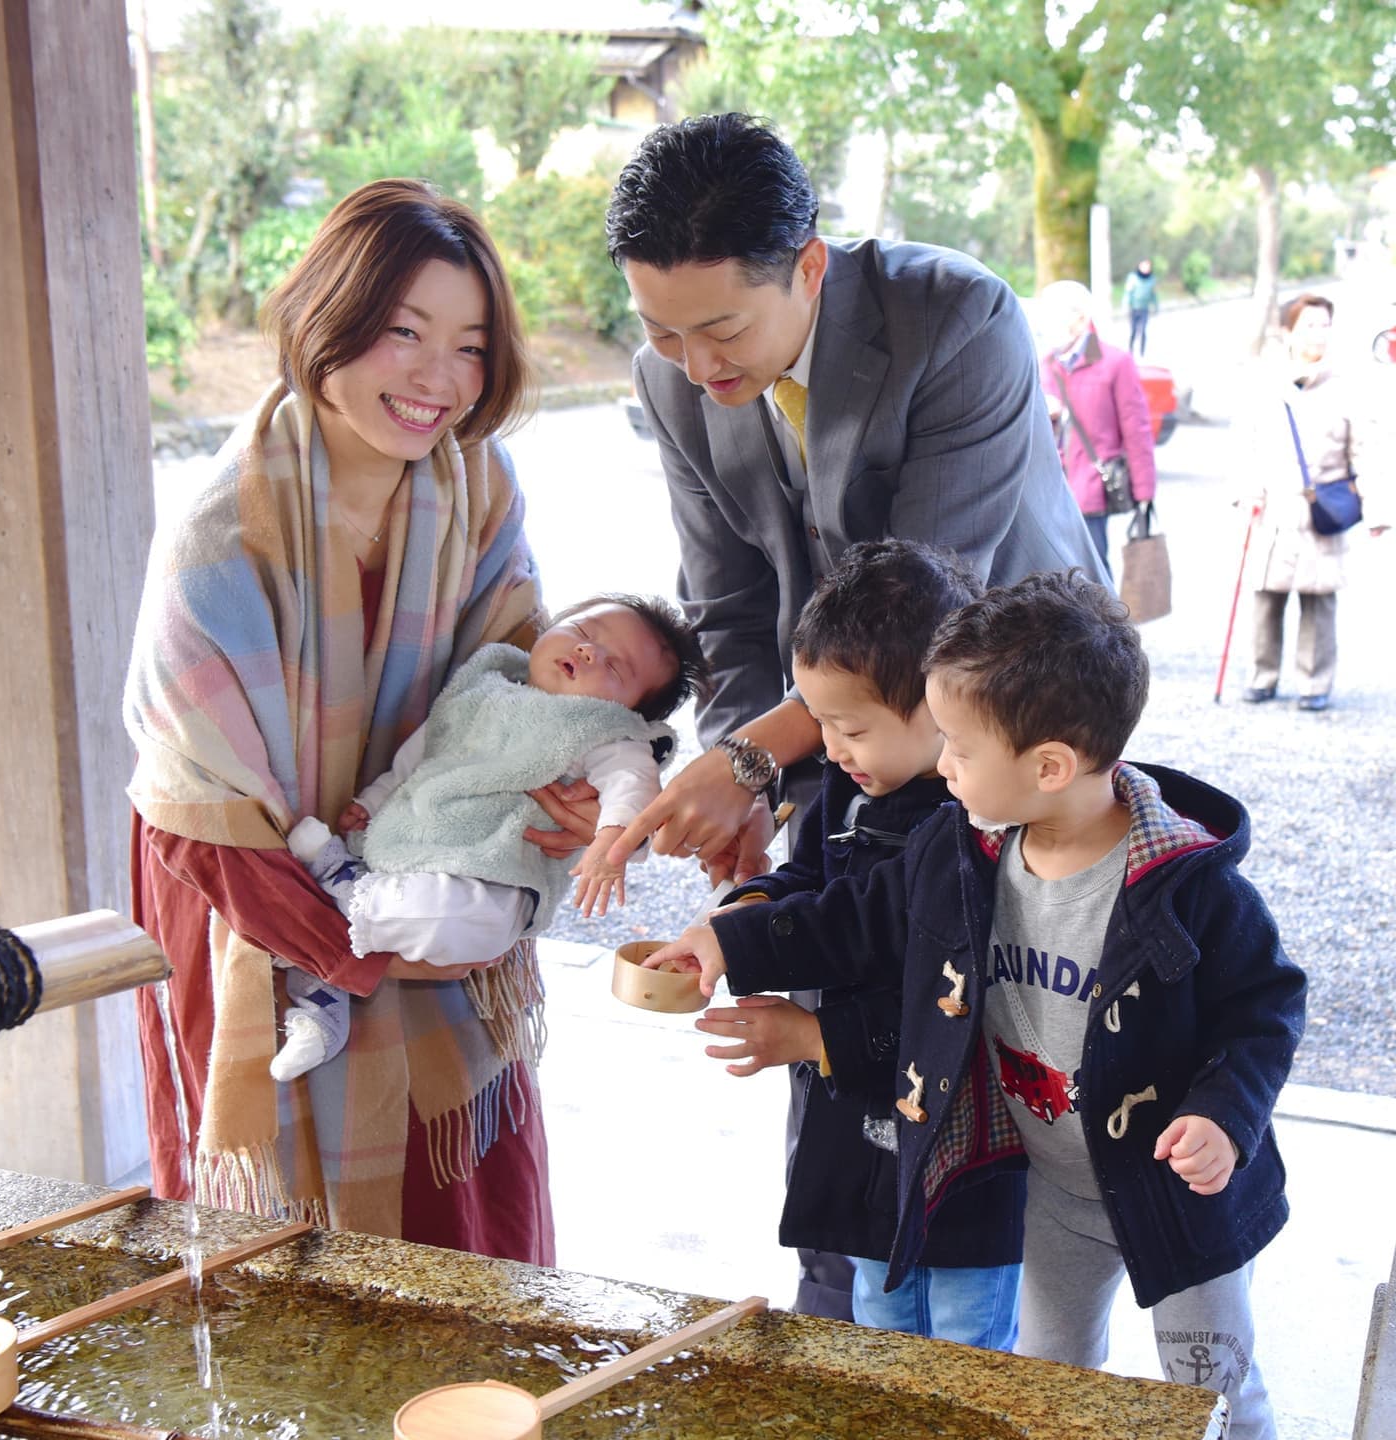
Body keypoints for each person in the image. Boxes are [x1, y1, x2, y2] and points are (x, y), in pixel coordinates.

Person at [601, 110, 1102, 1319]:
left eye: (721, 328)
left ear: (809, 264)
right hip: (839, 735)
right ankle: (845, 1308)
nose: (694, 362)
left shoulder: (960, 320)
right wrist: (756, 792)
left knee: (982, 1030)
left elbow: (935, 605)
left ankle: (1004, 1328)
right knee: (828, 1010)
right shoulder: (673, 384)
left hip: (999, 726)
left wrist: (749, 757)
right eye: (659, 329)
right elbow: (725, 608)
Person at [649, 570, 1306, 1439]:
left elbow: (1266, 1007)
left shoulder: (1185, 887)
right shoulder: (961, 847)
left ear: (1048, 766)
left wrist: (1225, 1117)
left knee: (1212, 1384)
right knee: (1046, 1382)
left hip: (1183, 1195)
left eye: (957, 746)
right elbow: (857, 919)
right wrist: (729, 941)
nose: (942, 764)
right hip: (1058, 1197)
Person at [124, 179, 567, 1261]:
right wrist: (376, 941)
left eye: (469, 347)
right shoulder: (223, 536)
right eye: (403, 333)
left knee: (461, 1220)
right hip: (238, 874)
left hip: (429, 850)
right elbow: (200, 807)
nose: (437, 380)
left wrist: (557, 781)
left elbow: (518, 682)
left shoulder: (481, 483)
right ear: (330, 321)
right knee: (274, 1247)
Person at [697, 539, 1024, 1347]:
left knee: (964, 1347)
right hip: (871, 1124)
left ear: (941, 704)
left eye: (851, 726)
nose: (832, 749)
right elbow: (809, 877)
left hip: (962, 1145)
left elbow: (875, 936)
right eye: (820, 723)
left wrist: (804, 1024)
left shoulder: (971, 820)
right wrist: (738, 910)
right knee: (877, 1315)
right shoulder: (852, 781)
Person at [271, 594, 708, 1081]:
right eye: (585, 633)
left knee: (481, 930)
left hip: (497, 872)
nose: (589, 654)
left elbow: (633, 786)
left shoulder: (603, 733)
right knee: (429, 917)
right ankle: (338, 926)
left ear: (629, 711)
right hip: (420, 836)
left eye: (616, 667)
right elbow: (421, 755)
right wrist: (372, 802)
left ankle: (331, 929)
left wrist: (610, 841)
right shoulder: (482, 688)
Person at [1240, 292, 1390, 712]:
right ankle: (1261, 675)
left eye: (1324, 324)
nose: (1318, 333)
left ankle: (1314, 682)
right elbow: (1248, 445)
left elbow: (1366, 452)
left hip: (1322, 509)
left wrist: (1376, 510)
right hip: (1273, 508)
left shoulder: (1348, 387)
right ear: (1288, 330)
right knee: (1266, 598)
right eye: (1308, 324)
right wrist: (1247, 493)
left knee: (1319, 599)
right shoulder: (1264, 382)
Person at [1038, 280, 1158, 573]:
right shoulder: (1045, 364)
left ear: (1081, 319)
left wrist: (1144, 493)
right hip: (1049, 490)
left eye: (1054, 315)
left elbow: (1136, 429)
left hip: (1090, 488)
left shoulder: (1115, 363)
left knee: (1092, 574)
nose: (1046, 324)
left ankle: (1105, 620)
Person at [1123, 259, 1159, 356]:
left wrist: (1156, 306)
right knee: (1134, 331)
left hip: (1144, 309)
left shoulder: (1152, 279)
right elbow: (1128, 293)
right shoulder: (1132, 277)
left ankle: (1142, 353)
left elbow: (1154, 294)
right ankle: (1130, 352)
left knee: (1143, 330)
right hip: (1134, 309)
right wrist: (1125, 306)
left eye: (1147, 266)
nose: (1145, 268)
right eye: (1143, 266)